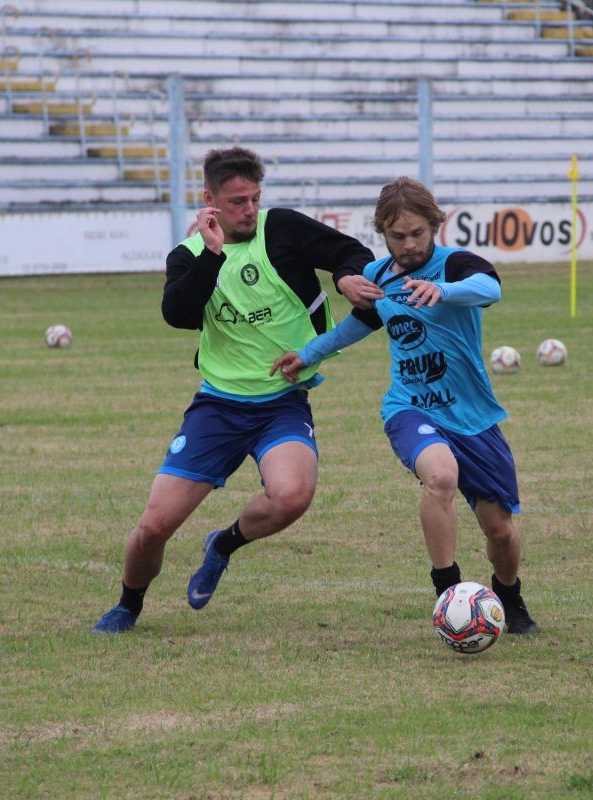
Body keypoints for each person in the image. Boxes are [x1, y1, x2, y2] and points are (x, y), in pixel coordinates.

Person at [92, 146, 381, 634]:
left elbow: (351, 251)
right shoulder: (187, 256)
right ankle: (128, 604)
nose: (249, 210)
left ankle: (222, 545)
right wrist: (211, 255)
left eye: (255, 198)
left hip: (282, 403)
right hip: (218, 408)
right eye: (237, 201)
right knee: (154, 527)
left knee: (293, 496)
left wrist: (349, 276)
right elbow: (178, 314)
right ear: (209, 200)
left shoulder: (283, 229)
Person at [272, 177, 538, 635]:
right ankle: (448, 596)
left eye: (417, 233)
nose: (409, 244)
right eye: (397, 236)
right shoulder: (378, 276)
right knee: (440, 477)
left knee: (501, 531)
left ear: (436, 225)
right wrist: (310, 353)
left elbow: (490, 288)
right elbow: (357, 325)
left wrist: (445, 291)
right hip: (410, 406)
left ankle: (509, 596)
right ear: (383, 234)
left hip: (472, 416)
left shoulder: (454, 265)